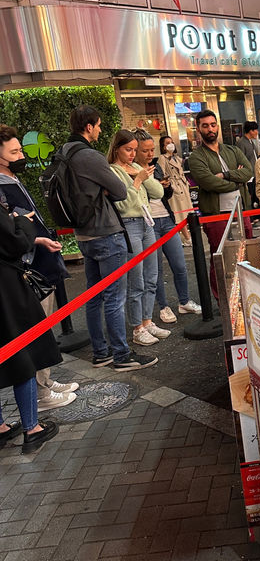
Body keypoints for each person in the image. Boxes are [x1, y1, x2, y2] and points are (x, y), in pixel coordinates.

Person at [65, 105, 158, 372]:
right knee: (115, 297)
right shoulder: (90, 156)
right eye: (99, 125)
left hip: (82, 233)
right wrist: (110, 188)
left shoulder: (64, 153)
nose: (101, 129)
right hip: (106, 232)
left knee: (94, 296)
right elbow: (120, 190)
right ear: (89, 126)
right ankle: (121, 354)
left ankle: (101, 352)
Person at [0, 126, 78, 409]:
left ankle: (44, 380)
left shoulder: (12, 177)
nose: (21, 155)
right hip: (25, 268)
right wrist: (32, 236)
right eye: (14, 151)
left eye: (20, 149)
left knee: (45, 327)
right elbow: (12, 235)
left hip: (40, 262)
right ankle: (40, 392)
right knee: (34, 330)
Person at [0, 203, 60, 453]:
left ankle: (1, 427)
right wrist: (22, 220)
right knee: (23, 352)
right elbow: (13, 243)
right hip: (6, 291)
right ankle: (32, 428)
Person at [109, 129, 170, 348]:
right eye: (128, 149)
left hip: (146, 223)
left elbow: (158, 192)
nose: (133, 154)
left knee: (151, 275)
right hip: (129, 225)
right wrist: (137, 181)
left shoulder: (136, 167)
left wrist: (143, 175)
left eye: (135, 150)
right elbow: (123, 203)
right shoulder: (113, 171)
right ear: (117, 149)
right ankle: (137, 328)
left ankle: (147, 320)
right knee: (137, 279)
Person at [133, 130, 201, 324]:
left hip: (167, 218)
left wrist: (166, 186)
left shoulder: (156, 166)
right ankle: (163, 306)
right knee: (155, 270)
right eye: (145, 150)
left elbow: (165, 194)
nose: (149, 154)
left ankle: (184, 300)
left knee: (179, 264)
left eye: (151, 149)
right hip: (148, 223)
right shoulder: (132, 170)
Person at [188, 110, 253, 299]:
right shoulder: (196, 157)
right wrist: (237, 181)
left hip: (241, 211)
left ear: (217, 126)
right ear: (199, 129)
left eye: (213, 124)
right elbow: (208, 182)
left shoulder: (233, 150)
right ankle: (222, 300)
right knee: (220, 258)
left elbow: (248, 172)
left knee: (246, 253)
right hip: (216, 215)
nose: (210, 129)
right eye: (205, 125)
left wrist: (226, 175)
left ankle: (248, 294)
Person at [156, 135, 193, 246]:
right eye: (167, 143)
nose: (171, 144)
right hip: (174, 188)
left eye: (171, 142)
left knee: (186, 214)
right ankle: (187, 238)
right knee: (179, 215)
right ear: (163, 146)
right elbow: (161, 173)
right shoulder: (163, 158)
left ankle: (186, 237)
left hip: (182, 187)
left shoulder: (177, 158)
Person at [237, 121, 260, 208]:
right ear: (250, 131)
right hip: (249, 175)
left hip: (255, 172)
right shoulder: (241, 142)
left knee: (256, 195)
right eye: (255, 130)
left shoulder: (251, 141)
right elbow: (240, 159)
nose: (257, 132)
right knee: (250, 195)